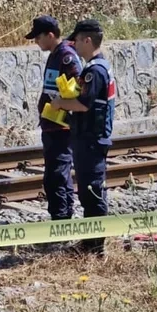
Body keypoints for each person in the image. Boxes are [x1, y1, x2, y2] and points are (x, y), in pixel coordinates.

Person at [51, 19, 117, 255]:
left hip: (90, 139)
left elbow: (84, 104)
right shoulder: (100, 67)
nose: (74, 44)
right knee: (88, 190)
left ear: (87, 40)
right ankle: (91, 243)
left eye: (77, 40)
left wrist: (60, 103)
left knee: (92, 191)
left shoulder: (94, 71)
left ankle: (95, 246)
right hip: (89, 138)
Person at [28, 15, 83, 222]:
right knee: (56, 173)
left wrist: (61, 104)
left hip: (61, 127)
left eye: (38, 37)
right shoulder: (55, 54)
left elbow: (79, 86)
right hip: (52, 125)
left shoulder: (66, 56)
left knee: (56, 175)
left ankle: (61, 219)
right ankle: (62, 215)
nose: (36, 42)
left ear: (50, 35)